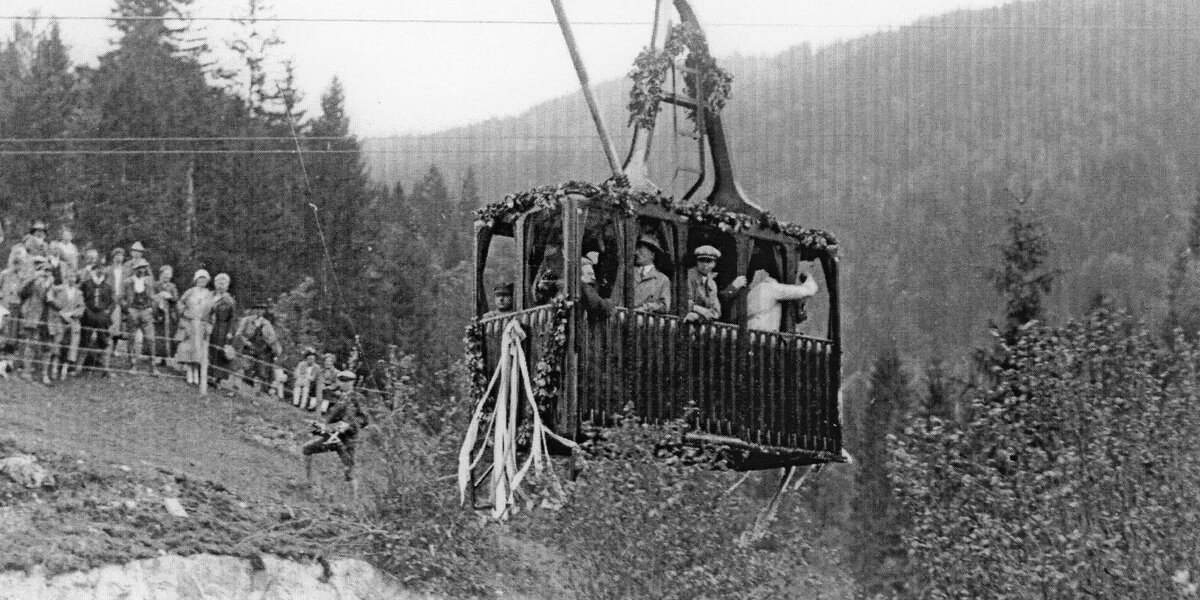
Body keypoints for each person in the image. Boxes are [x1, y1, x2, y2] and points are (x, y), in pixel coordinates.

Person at [302, 369, 370, 501]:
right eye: (342, 381)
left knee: (349, 470)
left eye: (348, 381)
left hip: (349, 440)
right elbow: (331, 419)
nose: (345, 384)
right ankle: (309, 484)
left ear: (353, 382)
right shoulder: (340, 398)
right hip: (334, 437)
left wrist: (349, 426)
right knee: (307, 449)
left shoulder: (357, 398)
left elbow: (365, 420)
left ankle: (353, 504)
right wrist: (320, 425)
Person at [683, 245, 747, 323]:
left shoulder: (712, 284)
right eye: (701, 260)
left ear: (714, 264)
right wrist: (700, 309)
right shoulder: (688, 276)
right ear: (697, 261)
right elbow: (684, 302)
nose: (705, 264)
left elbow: (716, 311)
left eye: (709, 261)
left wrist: (704, 314)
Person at [746, 267, 818, 332]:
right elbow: (810, 290)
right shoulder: (774, 288)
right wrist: (808, 277)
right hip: (763, 335)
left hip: (749, 332)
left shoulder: (754, 290)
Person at [18, 258, 54, 382]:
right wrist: (34, 277)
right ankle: (26, 372)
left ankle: (44, 375)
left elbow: (57, 303)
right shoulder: (33, 282)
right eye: (45, 270)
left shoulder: (52, 285)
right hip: (34, 316)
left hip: (48, 318)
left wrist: (52, 299)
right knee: (31, 344)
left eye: (50, 270)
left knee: (47, 347)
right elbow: (21, 292)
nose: (47, 273)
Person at [175, 269, 214, 385]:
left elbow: (212, 311)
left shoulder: (209, 294)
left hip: (201, 324)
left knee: (198, 349)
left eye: (204, 278)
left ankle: (196, 372)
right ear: (196, 280)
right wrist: (184, 313)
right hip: (189, 323)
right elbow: (180, 303)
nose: (202, 281)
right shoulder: (190, 291)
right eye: (200, 278)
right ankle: (189, 372)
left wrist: (209, 324)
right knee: (188, 347)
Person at [121, 258, 158, 373]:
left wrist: (152, 309)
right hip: (133, 311)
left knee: (151, 338)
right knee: (131, 339)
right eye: (139, 268)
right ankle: (133, 365)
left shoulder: (149, 282)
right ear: (135, 269)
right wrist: (127, 309)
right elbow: (121, 298)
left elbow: (153, 297)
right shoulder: (128, 282)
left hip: (146, 311)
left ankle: (153, 366)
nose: (142, 270)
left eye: (144, 267)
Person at [47, 267, 84, 379]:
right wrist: (61, 313)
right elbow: (50, 300)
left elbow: (82, 308)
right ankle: (54, 366)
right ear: (65, 278)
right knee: (58, 341)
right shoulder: (58, 289)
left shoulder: (79, 293)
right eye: (69, 276)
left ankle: (65, 366)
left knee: (72, 341)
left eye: (73, 276)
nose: (71, 279)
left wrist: (72, 313)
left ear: (76, 278)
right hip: (59, 319)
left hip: (73, 320)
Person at [80, 260, 115, 375]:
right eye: (96, 269)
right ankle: (78, 368)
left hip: (102, 316)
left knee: (104, 341)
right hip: (88, 315)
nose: (99, 272)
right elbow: (80, 298)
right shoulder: (86, 284)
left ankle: (105, 369)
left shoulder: (108, 287)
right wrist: (84, 309)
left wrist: (107, 312)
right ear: (93, 271)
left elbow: (113, 303)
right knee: (85, 340)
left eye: (101, 270)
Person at [237, 304, 281, 393]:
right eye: (256, 308)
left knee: (260, 373)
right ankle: (235, 389)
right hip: (248, 348)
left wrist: (268, 341)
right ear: (253, 310)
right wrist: (246, 342)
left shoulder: (267, 323)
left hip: (261, 351)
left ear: (264, 311)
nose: (259, 311)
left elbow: (273, 338)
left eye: (261, 309)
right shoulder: (246, 320)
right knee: (242, 367)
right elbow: (239, 333)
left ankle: (256, 395)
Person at [207, 273, 237, 387]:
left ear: (227, 285)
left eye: (223, 283)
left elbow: (233, 318)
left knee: (219, 352)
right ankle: (205, 373)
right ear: (215, 283)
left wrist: (230, 331)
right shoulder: (210, 295)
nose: (221, 285)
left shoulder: (229, 300)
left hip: (221, 328)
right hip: (208, 325)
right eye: (219, 283)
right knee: (208, 349)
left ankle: (217, 378)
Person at [632, 234, 670, 313]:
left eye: (640, 250)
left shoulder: (662, 279)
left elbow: (665, 305)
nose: (636, 253)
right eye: (636, 249)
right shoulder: (629, 273)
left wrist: (646, 308)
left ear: (652, 254)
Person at [153, 265, 179, 363]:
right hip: (157, 312)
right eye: (164, 274)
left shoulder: (172, 286)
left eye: (168, 275)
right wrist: (159, 296)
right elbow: (151, 296)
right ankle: (156, 356)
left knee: (168, 334)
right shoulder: (155, 285)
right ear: (160, 274)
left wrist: (169, 296)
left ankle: (166, 358)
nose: (166, 277)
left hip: (169, 313)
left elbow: (176, 299)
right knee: (158, 334)